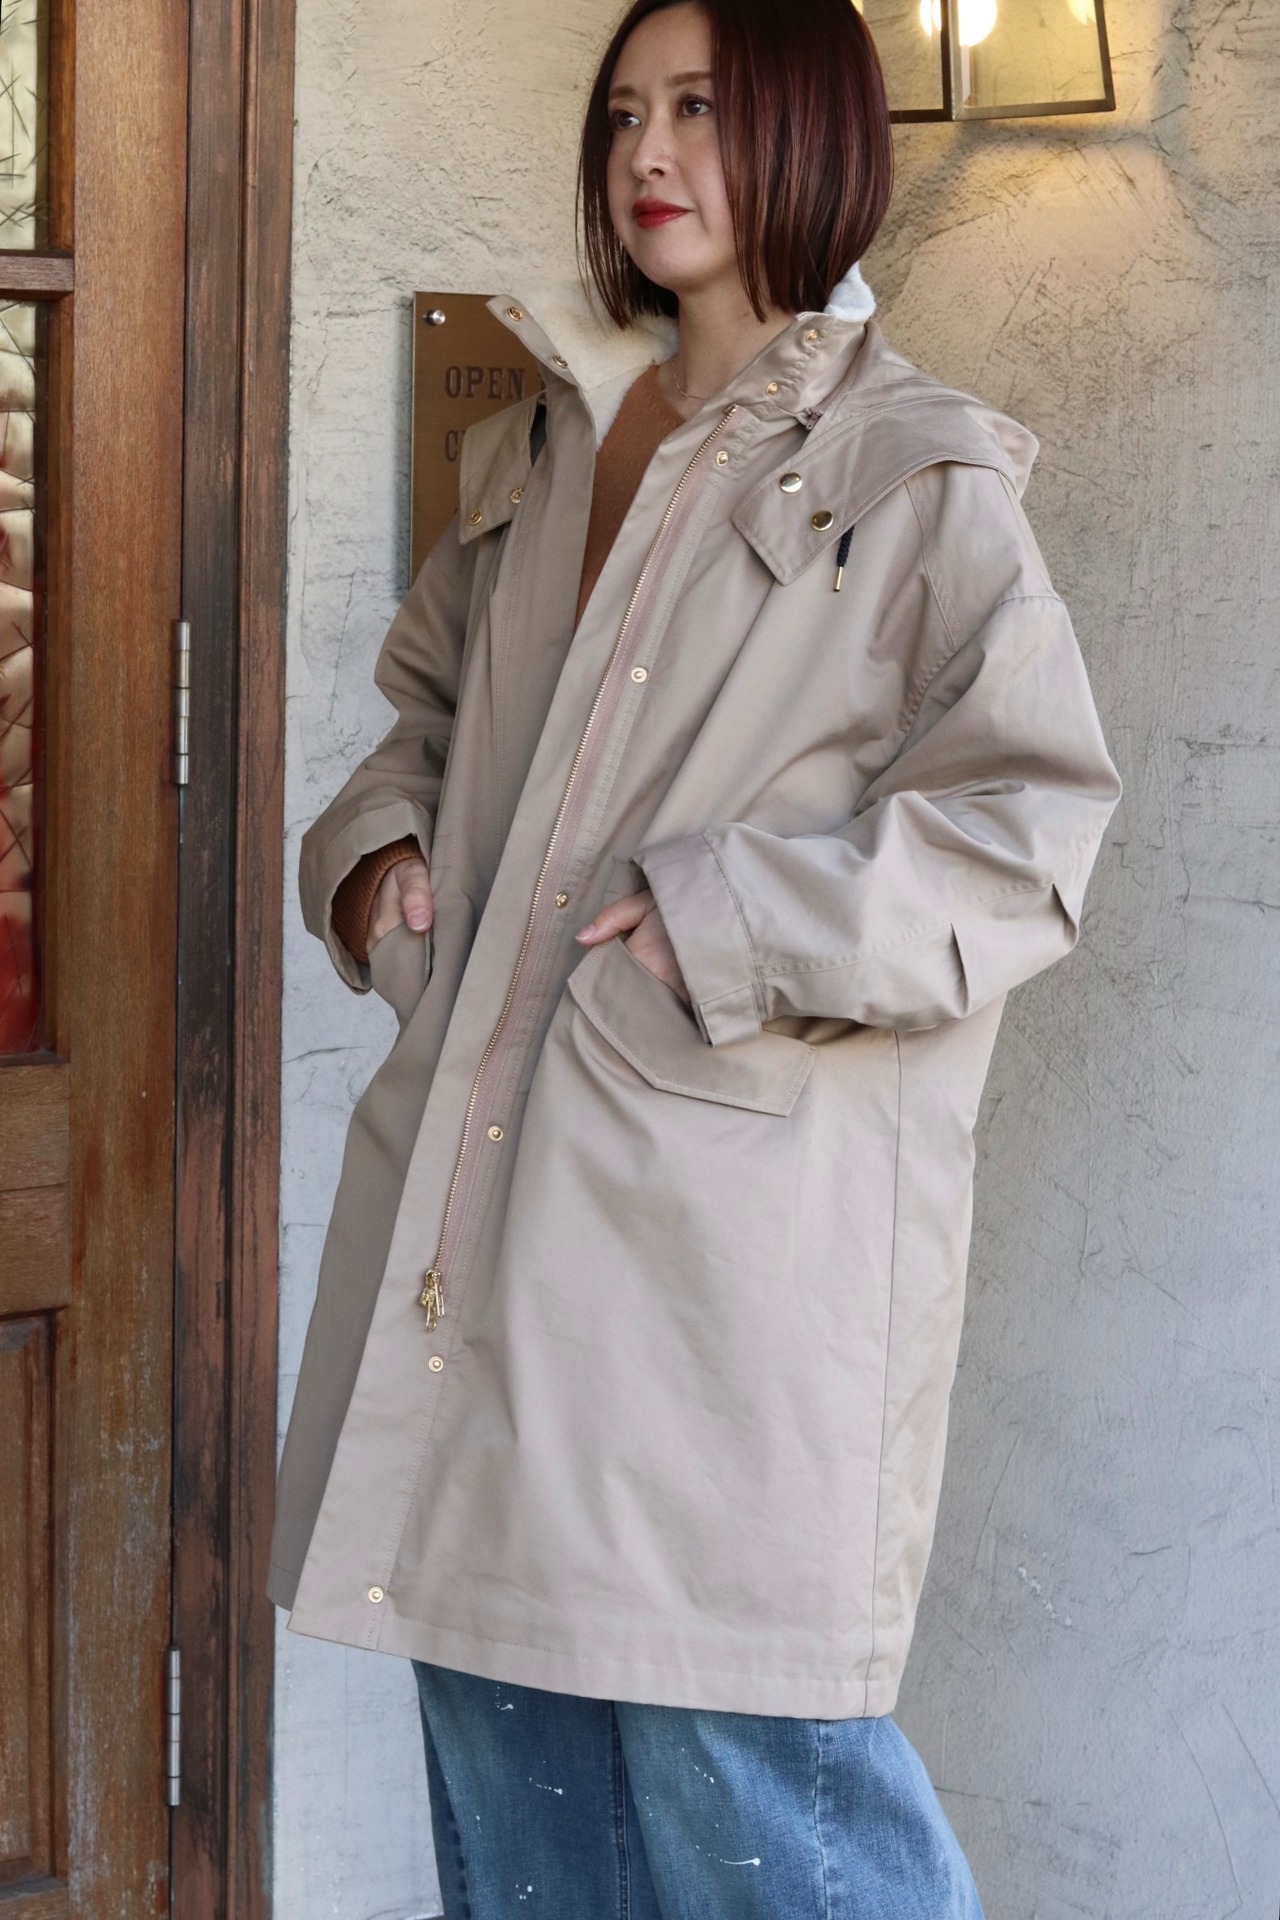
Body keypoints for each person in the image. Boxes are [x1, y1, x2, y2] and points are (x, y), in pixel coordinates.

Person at [268, 0, 1121, 1912]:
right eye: (627, 114)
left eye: (705, 111)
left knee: (762, 1811)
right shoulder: (548, 442)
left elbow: (1029, 833)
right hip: (476, 1230)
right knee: (517, 1804)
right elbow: (426, 720)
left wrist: (733, 917)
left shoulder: (915, 476)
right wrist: (380, 860)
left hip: (714, 1275)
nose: (648, 153)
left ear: (813, 131)